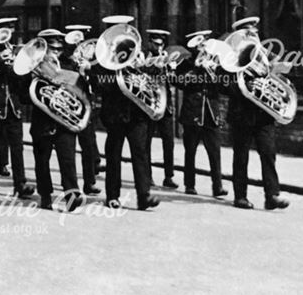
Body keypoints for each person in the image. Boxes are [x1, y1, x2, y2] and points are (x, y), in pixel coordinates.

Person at [94, 15, 160, 211]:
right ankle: (112, 196)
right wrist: (116, 73)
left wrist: (144, 69)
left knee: (140, 154)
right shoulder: (103, 61)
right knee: (113, 156)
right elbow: (99, 85)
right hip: (114, 115)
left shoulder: (138, 59)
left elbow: (152, 83)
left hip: (137, 114)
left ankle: (144, 196)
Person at [226, 17, 290, 211]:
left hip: (263, 113)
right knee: (241, 156)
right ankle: (240, 196)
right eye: (249, 33)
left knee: (268, 153)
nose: (254, 36)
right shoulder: (231, 58)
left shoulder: (265, 55)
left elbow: (276, 76)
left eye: (255, 33)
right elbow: (224, 86)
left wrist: (278, 71)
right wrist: (244, 87)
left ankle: (272, 195)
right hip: (241, 113)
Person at [18, 29, 85, 212]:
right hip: (42, 121)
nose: (56, 53)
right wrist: (35, 82)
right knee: (42, 161)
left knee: (68, 160)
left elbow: (80, 91)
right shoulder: (31, 68)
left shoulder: (68, 64)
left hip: (64, 122)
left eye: (59, 49)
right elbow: (23, 96)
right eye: (52, 49)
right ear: (43, 50)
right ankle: (46, 195)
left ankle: (72, 196)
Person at [0, 18, 33, 198]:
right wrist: (1, 64)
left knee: (17, 148)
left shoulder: (18, 52)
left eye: (11, 28)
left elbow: (22, 81)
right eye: (4, 29)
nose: (9, 32)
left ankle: (20, 184)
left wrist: (18, 66)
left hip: (13, 108)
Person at [174, 30, 228, 198]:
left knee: (215, 151)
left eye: (204, 42)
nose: (202, 46)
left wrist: (214, 70)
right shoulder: (186, 63)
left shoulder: (216, 63)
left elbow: (223, 86)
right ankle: (190, 184)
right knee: (190, 150)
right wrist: (196, 70)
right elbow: (178, 82)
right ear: (194, 46)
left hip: (211, 113)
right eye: (199, 43)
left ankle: (217, 186)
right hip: (192, 112)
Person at [62, 24, 102, 195]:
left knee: (89, 146)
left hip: (85, 107)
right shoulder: (64, 60)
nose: (80, 45)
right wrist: (77, 67)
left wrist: (89, 71)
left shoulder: (90, 62)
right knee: (68, 150)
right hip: (69, 107)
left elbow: (97, 84)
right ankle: (71, 186)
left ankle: (89, 182)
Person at [145, 29, 179, 190]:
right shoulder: (144, 58)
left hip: (165, 105)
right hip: (149, 104)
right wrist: (155, 65)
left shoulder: (165, 58)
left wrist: (171, 69)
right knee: (146, 141)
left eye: (162, 44)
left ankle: (168, 176)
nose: (159, 47)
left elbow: (172, 81)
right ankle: (147, 175)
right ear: (150, 42)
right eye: (156, 43)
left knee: (169, 141)